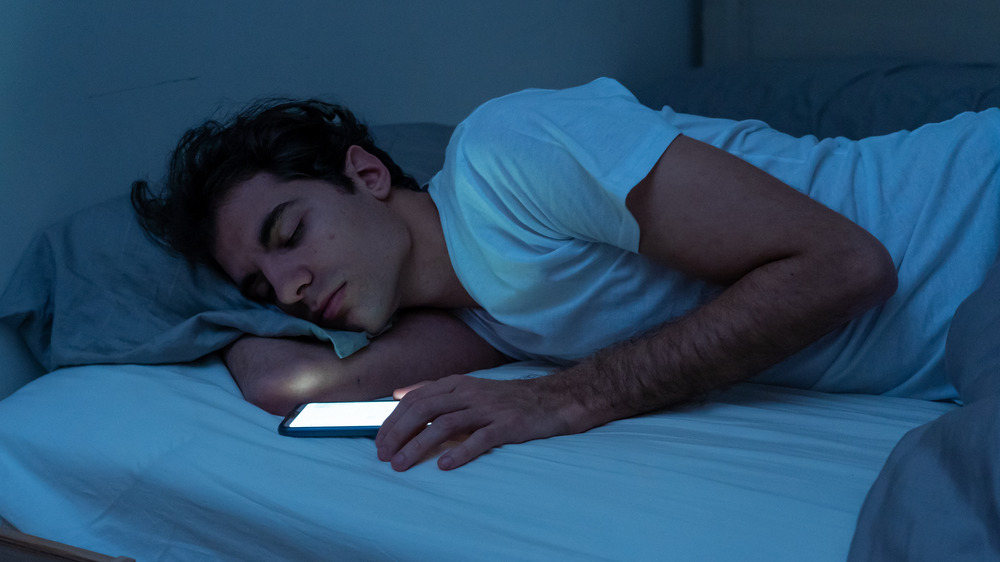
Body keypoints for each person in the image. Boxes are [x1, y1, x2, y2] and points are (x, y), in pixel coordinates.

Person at [132, 78, 1000, 472]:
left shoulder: (505, 154)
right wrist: (228, 318)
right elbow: (295, 387)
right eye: (259, 286)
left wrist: (572, 396)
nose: (286, 288)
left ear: (365, 176)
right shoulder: (482, 321)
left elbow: (845, 266)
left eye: (290, 234)